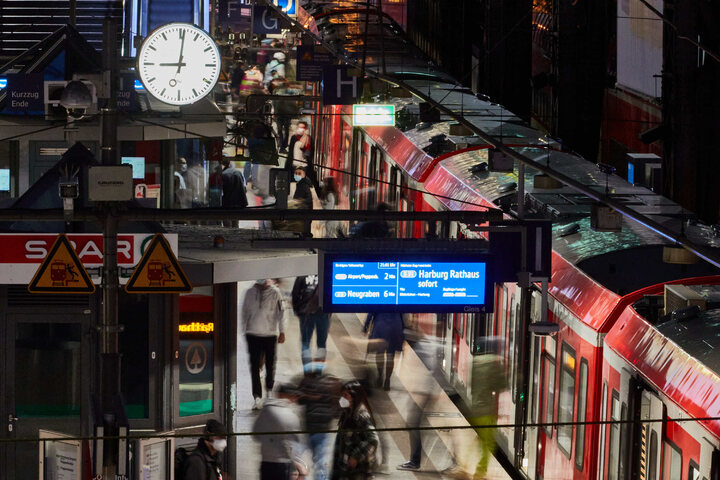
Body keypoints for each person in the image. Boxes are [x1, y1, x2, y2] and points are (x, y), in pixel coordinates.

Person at [397, 332, 442, 472]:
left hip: (422, 394)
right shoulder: (423, 347)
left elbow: (423, 376)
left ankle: (415, 461)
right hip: (422, 394)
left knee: (413, 424)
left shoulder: (420, 350)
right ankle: (415, 459)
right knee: (414, 424)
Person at [241, 279, 287, 409]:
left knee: (270, 365)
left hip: (270, 334)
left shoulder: (275, 293)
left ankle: (269, 391)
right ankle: (257, 396)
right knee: (254, 367)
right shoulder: (250, 292)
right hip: (252, 334)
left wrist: (282, 331)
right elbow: (244, 311)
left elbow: (282, 312)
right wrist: (244, 330)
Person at [467, 340, 507, 480]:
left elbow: (471, 384)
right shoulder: (493, 364)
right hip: (486, 410)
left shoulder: (475, 362)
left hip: (474, 408)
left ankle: (464, 465)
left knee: (480, 439)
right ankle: (479, 471)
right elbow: (502, 384)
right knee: (488, 443)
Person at [297, 361, 342, 480]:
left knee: (307, 458)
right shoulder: (331, 384)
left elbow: (299, 400)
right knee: (321, 461)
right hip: (323, 428)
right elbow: (337, 408)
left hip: (310, 427)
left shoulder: (307, 383)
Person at [253, 383, 308, 480]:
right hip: (283, 464)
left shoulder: (266, 410)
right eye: (294, 396)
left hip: (266, 462)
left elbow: (256, 434)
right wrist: (298, 466)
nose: (294, 400)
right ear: (288, 396)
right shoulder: (290, 416)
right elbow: (293, 445)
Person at [331, 381, 379, 480]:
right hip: (345, 469)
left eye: (345, 395)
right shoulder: (347, 413)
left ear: (354, 396)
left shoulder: (362, 415)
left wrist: (355, 456)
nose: (342, 398)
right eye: (342, 395)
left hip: (358, 471)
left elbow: (373, 439)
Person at [292, 274, 329, 365]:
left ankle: (307, 371)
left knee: (305, 344)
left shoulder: (302, 275)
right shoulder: (327, 274)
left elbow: (295, 294)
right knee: (321, 344)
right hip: (323, 314)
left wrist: (298, 311)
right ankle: (318, 372)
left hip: (306, 314)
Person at [363, 312, 404, 391]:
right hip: (395, 327)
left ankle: (380, 376)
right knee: (391, 356)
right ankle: (387, 380)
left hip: (380, 325)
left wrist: (366, 325)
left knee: (380, 353)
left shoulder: (379, 298)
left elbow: (371, 311)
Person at [221, 158, 248, 227]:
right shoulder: (238, 172)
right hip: (238, 202)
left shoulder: (223, 174)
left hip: (227, 203)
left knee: (227, 223)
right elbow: (244, 187)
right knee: (235, 223)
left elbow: (221, 191)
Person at [293, 166, 314, 236]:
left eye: (299, 173)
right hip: (304, 216)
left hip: (304, 215)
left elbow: (309, 199)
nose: (297, 175)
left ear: (304, 175)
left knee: (305, 235)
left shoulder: (303, 185)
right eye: (296, 173)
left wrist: (300, 201)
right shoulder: (301, 184)